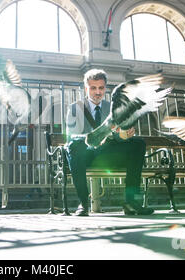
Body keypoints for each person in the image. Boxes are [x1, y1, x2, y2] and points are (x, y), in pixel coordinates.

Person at [65, 68, 154, 216]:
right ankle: (84, 203)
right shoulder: (75, 108)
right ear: (86, 88)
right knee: (74, 146)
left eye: (101, 88)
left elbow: (118, 133)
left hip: (108, 155)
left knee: (138, 144)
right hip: (86, 156)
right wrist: (97, 137)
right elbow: (71, 136)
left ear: (105, 88)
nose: (98, 92)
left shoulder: (112, 108)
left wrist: (124, 135)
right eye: (93, 88)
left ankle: (131, 202)